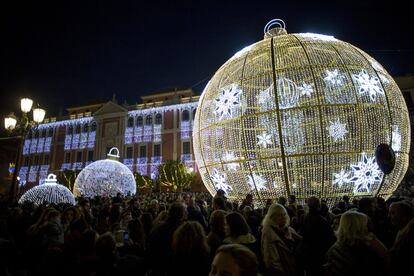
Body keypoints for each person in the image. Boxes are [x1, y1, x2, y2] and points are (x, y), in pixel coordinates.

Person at [325, 210, 387, 276]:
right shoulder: (363, 251)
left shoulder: (336, 247)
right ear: (358, 227)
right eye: (365, 225)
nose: (366, 228)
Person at [297, 196, 336, 276]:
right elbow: (331, 239)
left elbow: (302, 233)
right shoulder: (322, 221)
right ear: (319, 206)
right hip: (320, 254)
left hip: (308, 253)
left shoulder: (304, 218)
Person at [261, 203, 302, 276]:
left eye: (284, 214)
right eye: (279, 215)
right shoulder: (268, 233)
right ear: (272, 217)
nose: (283, 217)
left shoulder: (287, 229)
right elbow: (271, 261)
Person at [388, 200, 414, 274]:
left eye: (393, 213)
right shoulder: (402, 228)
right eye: (389, 213)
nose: (388, 216)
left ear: (404, 216)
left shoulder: (410, 234)